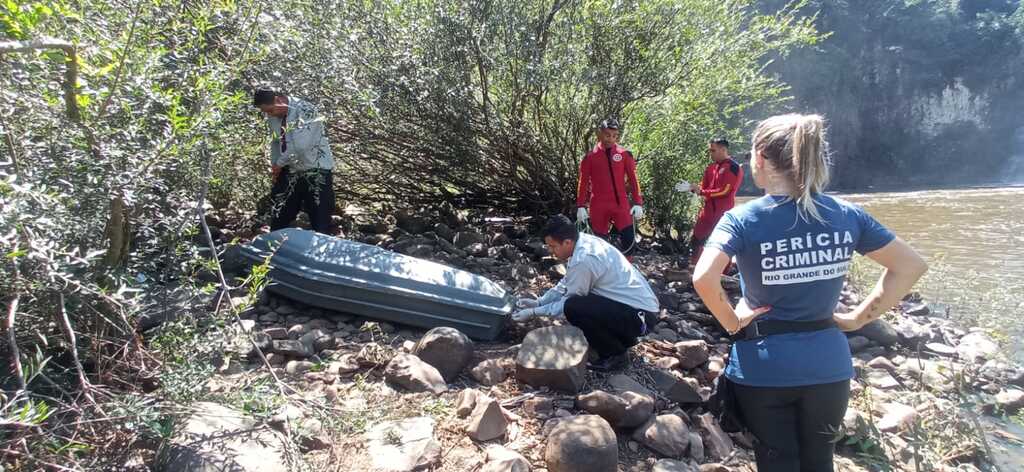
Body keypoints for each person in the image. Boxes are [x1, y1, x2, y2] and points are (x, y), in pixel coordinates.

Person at [692, 113, 927, 472]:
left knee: (776, 461)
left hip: (763, 367)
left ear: (760, 158)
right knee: (819, 462)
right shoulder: (847, 214)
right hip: (829, 366)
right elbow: (910, 266)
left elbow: (704, 278)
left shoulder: (742, 219)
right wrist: (855, 319)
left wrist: (733, 321)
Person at [511, 215, 659, 372]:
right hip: (633, 310)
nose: (550, 251)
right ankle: (623, 339)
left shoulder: (584, 258)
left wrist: (533, 313)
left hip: (641, 318)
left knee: (574, 307)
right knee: (582, 304)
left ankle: (616, 355)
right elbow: (567, 282)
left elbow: (567, 302)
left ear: (567, 242)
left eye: (553, 246)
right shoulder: (582, 241)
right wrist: (540, 302)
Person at [252, 89, 336, 233]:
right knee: (279, 214)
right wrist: (275, 165)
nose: (269, 115)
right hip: (289, 169)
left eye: (270, 110)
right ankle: (276, 249)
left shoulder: (306, 110)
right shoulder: (273, 116)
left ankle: (321, 252)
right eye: (266, 112)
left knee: (320, 218)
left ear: (278, 100)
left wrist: (279, 163)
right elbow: (276, 142)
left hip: (315, 169)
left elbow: (300, 146)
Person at [576, 119, 645, 257]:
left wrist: (638, 203)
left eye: (614, 136)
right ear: (600, 134)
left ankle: (627, 271)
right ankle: (602, 272)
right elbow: (583, 182)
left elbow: (633, 179)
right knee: (598, 243)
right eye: (607, 135)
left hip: (620, 204)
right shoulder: (590, 157)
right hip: (598, 206)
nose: (611, 139)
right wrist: (580, 205)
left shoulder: (625, 154)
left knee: (629, 240)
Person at [687, 137, 744, 266]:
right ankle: (695, 268)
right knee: (696, 240)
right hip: (706, 212)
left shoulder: (733, 167)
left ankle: (723, 276)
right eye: (710, 150)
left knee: (722, 245)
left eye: (713, 150)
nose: (710, 153)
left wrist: (701, 192)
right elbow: (704, 187)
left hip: (723, 213)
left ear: (723, 150)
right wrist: (693, 188)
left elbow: (725, 191)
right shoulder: (711, 167)